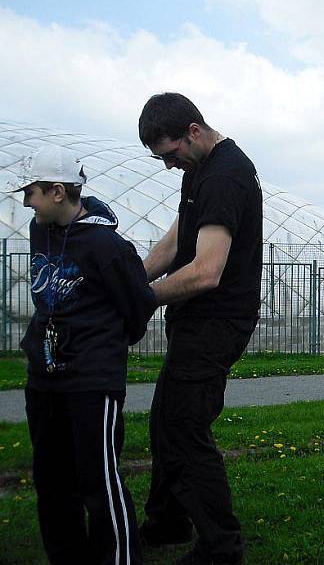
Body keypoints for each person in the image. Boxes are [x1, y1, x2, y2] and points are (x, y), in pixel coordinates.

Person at [4, 145, 156, 565]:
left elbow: (137, 304)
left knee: (98, 478)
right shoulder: (41, 229)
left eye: (31, 192)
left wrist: (98, 344)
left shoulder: (107, 246)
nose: (25, 202)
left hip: (91, 380)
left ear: (57, 192)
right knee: (51, 479)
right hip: (45, 378)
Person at [136, 93, 263, 565]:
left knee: (185, 427)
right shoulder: (200, 171)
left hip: (217, 321)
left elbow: (207, 270)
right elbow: (177, 239)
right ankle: (167, 521)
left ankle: (220, 545)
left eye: (170, 154)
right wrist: (133, 276)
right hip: (196, 321)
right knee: (165, 420)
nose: (169, 166)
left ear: (193, 131)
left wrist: (137, 298)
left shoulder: (225, 175)